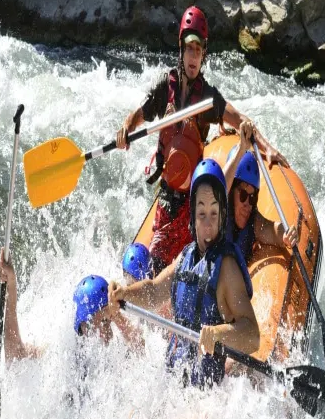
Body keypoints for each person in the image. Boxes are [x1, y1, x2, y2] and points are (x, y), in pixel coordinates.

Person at [115, 5, 289, 274]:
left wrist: (268, 149)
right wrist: (125, 129)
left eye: (199, 50)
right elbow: (139, 115)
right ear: (181, 49)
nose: (193, 56)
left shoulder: (208, 98)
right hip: (166, 197)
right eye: (189, 48)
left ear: (204, 54)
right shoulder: (166, 87)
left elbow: (242, 120)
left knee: (184, 271)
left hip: (193, 201)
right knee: (155, 268)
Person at [107, 157, 260, 388]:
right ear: (192, 215)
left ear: (222, 214)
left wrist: (218, 334)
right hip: (174, 382)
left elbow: (252, 335)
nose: (208, 223)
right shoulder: (186, 256)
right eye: (201, 214)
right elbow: (154, 291)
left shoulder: (226, 268)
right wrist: (125, 292)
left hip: (206, 395)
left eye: (214, 213)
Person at [0, 249, 141, 364]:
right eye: (103, 322)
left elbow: (140, 347)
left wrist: (115, 313)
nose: (109, 333)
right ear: (84, 325)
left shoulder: (112, 354)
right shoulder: (62, 355)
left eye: (109, 322)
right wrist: (11, 284)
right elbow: (15, 354)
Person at [223, 139, 298, 263]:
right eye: (243, 195)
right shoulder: (217, 216)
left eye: (252, 198)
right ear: (231, 193)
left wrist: (286, 235)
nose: (248, 205)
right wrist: (241, 148)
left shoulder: (253, 222)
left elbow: (273, 230)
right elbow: (218, 188)